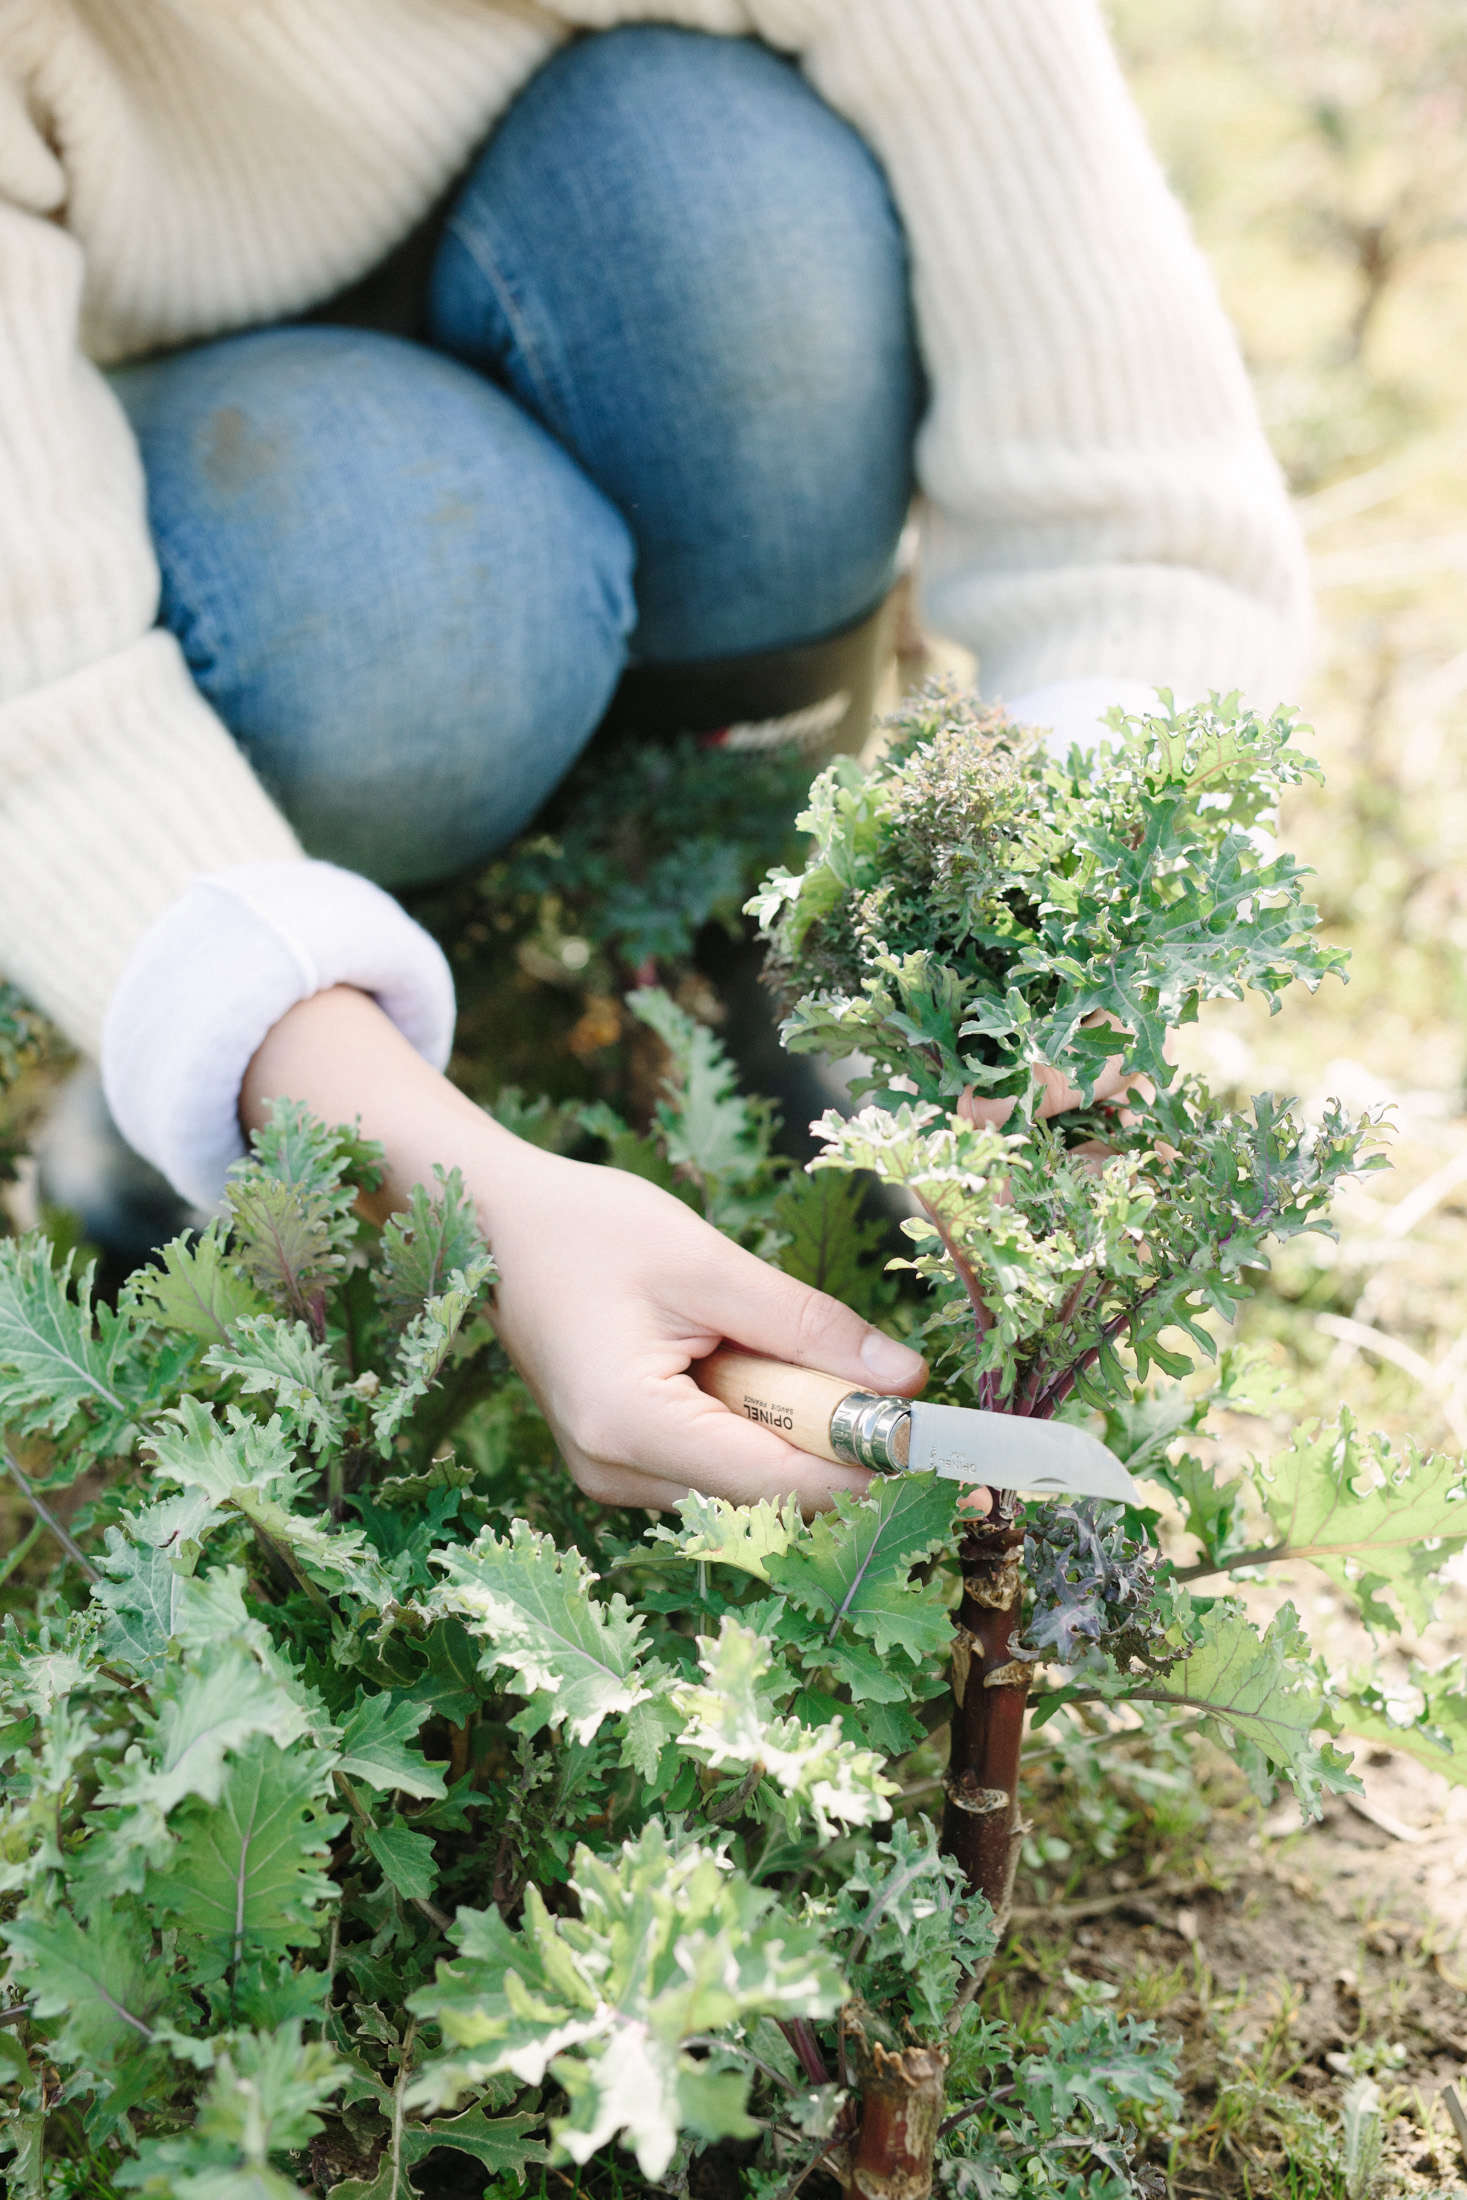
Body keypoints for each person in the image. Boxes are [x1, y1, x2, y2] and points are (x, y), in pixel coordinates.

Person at [2, 1, 1309, 1515]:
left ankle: (749, 917)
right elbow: (41, 691)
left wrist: (1069, 930)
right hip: (192, 469)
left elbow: (1134, 498)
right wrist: (459, 1190)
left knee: (737, 211)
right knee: (393, 581)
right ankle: (280, 1032)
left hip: (590, 205)